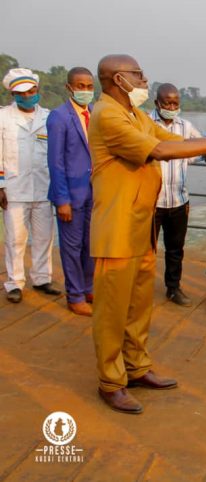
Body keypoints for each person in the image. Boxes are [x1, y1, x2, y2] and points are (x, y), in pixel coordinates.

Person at [89, 54, 206, 414]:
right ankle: (111, 380)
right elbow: (161, 150)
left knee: (138, 305)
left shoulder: (134, 115)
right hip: (117, 226)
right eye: (137, 74)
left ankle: (136, 367)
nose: (143, 79)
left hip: (141, 225)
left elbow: (171, 139)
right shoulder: (107, 114)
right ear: (119, 79)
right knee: (112, 310)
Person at [0, 68, 61, 304]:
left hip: (44, 187)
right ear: (13, 94)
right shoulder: (3, 117)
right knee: (15, 238)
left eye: (31, 91)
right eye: (21, 93)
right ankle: (14, 282)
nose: (27, 96)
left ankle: (42, 278)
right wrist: (1, 185)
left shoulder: (49, 117)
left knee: (44, 236)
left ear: (38, 90)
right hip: (14, 188)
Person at [47, 67, 96, 316]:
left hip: (93, 194)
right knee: (71, 246)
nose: (85, 91)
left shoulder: (95, 113)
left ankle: (88, 288)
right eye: (80, 86)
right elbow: (55, 163)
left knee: (90, 245)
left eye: (89, 86)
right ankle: (74, 295)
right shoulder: (59, 117)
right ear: (69, 88)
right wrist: (62, 199)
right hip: (71, 195)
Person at [150, 83, 202, 307]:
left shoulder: (185, 126)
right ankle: (139, 288)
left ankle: (173, 288)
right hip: (151, 201)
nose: (171, 107)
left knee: (175, 249)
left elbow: (199, 148)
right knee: (145, 250)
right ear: (156, 103)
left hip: (178, 199)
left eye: (175, 103)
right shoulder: (145, 123)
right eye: (167, 103)